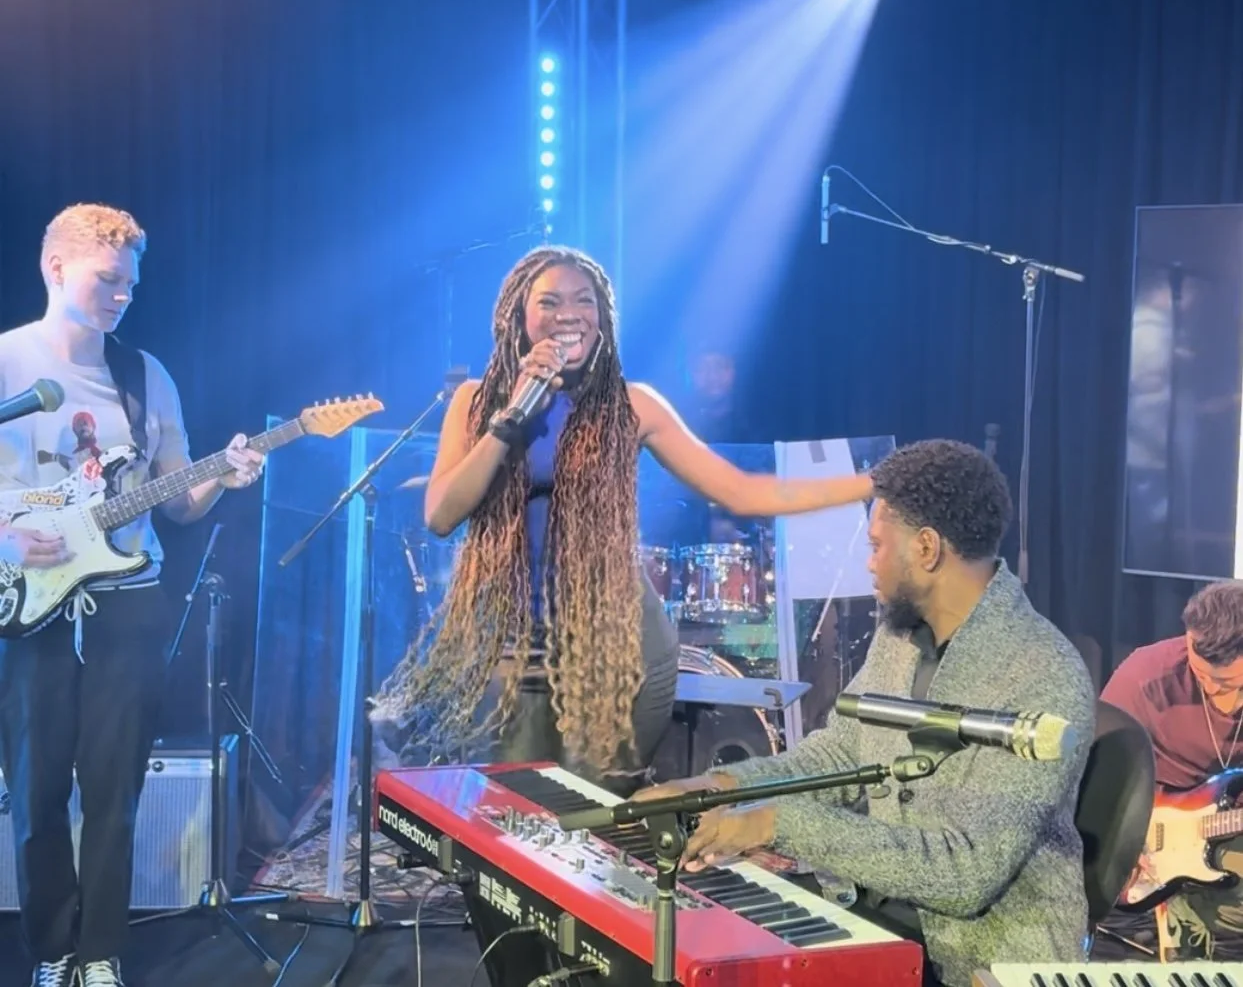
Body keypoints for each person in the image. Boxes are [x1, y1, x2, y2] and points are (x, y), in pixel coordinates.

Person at [371, 244, 872, 787]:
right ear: (518, 316)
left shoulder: (633, 406)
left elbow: (743, 492)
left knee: (598, 818)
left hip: (616, 650)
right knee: (511, 821)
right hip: (509, 650)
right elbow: (442, 514)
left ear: (602, 318)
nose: (569, 314)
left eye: (584, 301)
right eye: (550, 301)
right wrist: (513, 415)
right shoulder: (474, 402)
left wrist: (870, 482)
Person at [635, 439, 1097, 987]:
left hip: (981, 962)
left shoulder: (1044, 673)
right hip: (880, 921)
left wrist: (775, 823)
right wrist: (718, 785)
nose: (869, 562)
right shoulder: (900, 636)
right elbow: (838, 754)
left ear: (927, 549)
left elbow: (965, 870)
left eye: (878, 545)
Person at [0, 204, 265, 987]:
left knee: (114, 790)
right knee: (37, 787)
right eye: (107, 279)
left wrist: (223, 473)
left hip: (129, 596)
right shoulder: (8, 362)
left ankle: (102, 953)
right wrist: (8, 535)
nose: (122, 296)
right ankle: (51, 953)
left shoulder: (147, 377)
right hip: (30, 600)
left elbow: (176, 503)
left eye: (131, 284)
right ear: (56, 269)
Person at [1099, 580, 1243, 960]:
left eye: (1233, 683)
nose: (1217, 693)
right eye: (1203, 677)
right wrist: (1122, 842)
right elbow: (1098, 771)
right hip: (1152, 830)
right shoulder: (1145, 675)